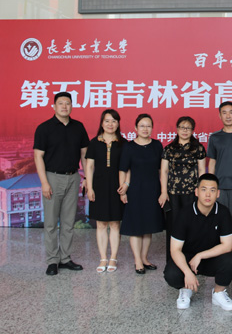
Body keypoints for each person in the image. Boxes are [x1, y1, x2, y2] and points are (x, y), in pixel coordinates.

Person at [163, 173, 232, 311]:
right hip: (188, 259)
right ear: (196, 192)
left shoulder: (223, 212)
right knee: (171, 274)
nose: (208, 194)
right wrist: (187, 273)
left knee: (231, 260)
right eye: (204, 190)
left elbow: (227, 246)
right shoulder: (184, 214)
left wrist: (200, 255)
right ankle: (186, 289)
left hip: (211, 258)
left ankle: (219, 292)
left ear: (218, 193)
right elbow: (175, 249)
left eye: (212, 190)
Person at [34, 91, 89, 276]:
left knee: (68, 222)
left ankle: (65, 258)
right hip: (52, 178)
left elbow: (84, 154)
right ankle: (52, 260)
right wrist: (44, 182)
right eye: (61, 103)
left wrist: (86, 177)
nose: (65, 106)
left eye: (68, 103)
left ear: (71, 106)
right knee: (51, 223)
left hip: (73, 177)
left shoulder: (78, 127)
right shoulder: (44, 128)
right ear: (54, 106)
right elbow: (38, 156)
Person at [119, 113, 165, 274]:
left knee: (148, 226)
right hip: (135, 190)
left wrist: (163, 191)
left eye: (148, 126)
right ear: (135, 128)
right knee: (136, 227)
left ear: (152, 128)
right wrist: (123, 190)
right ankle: (137, 260)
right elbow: (123, 169)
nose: (145, 129)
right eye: (142, 126)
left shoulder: (157, 145)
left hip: (153, 190)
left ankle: (144, 258)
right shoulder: (129, 147)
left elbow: (161, 170)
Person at [85, 109, 126, 273]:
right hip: (99, 187)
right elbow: (89, 166)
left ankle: (113, 257)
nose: (110, 124)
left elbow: (126, 168)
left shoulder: (123, 143)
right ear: (102, 123)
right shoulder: (94, 142)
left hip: (117, 187)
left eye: (114, 121)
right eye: (107, 121)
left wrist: (124, 187)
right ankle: (103, 257)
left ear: (118, 124)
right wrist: (89, 187)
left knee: (115, 223)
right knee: (101, 224)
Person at [160, 116, 206, 262]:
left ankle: (191, 259)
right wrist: (163, 192)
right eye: (182, 127)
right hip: (172, 194)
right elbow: (164, 171)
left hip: (192, 193)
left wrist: (201, 191)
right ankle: (172, 260)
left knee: (192, 225)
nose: (185, 131)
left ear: (192, 130)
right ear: (177, 129)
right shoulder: (169, 149)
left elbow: (201, 170)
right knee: (173, 226)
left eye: (188, 128)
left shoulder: (198, 148)